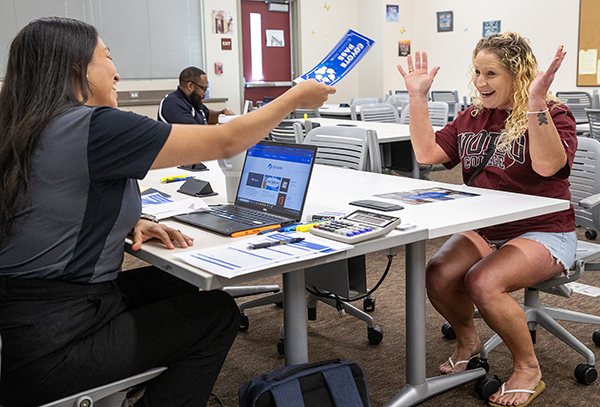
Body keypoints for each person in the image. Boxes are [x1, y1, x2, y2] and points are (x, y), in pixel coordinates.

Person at [0, 17, 334, 407]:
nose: (117, 72)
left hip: (24, 322)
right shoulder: (95, 128)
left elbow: (47, 203)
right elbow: (227, 141)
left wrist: (128, 220)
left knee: (186, 285)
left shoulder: (21, 127)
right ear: (78, 69)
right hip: (57, 344)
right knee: (216, 315)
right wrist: (295, 97)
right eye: (107, 57)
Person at [397, 32, 577, 406]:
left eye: (491, 73)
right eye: (477, 72)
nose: (480, 82)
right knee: (440, 275)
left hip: (545, 230)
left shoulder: (554, 114)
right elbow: (428, 153)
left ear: (517, 73)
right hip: (487, 229)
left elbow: (548, 165)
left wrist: (536, 101)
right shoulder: (472, 117)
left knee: (482, 281)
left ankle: (528, 368)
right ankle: (469, 342)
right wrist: (417, 97)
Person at [158, 66, 235, 125]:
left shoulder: (192, 101)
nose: (205, 93)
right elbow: (195, 133)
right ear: (190, 86)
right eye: (203, 89)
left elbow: (208, 116)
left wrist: (222, 113)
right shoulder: (173, 103)